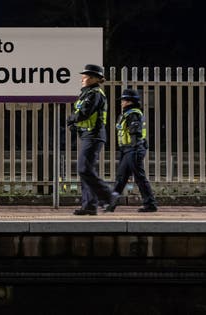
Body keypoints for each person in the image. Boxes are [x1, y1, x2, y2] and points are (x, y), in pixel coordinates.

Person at [66, 64, 118, 215]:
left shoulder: (94, 94)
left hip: (94, 136)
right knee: (85, 170)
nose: (83, 78)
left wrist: (72, 118)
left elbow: (84, 113)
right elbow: (81, 115)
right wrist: (75, 124)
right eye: (83, 76)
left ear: (95, 78)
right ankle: (89, 205)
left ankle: (109, 196)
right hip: (88, 135)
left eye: (87, 76)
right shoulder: (87, 93)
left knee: (84, 169)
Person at [105, 88, 158, 213]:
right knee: (121, 178)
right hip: (128, 149)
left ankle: (150, 204)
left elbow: (135, 131)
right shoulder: (127, 114)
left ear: (129, 101)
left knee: (138, 177)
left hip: (133, 149)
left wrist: (134, 148)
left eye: (123, 100)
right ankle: (111, 205)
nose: (121, 102)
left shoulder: (133, 114)